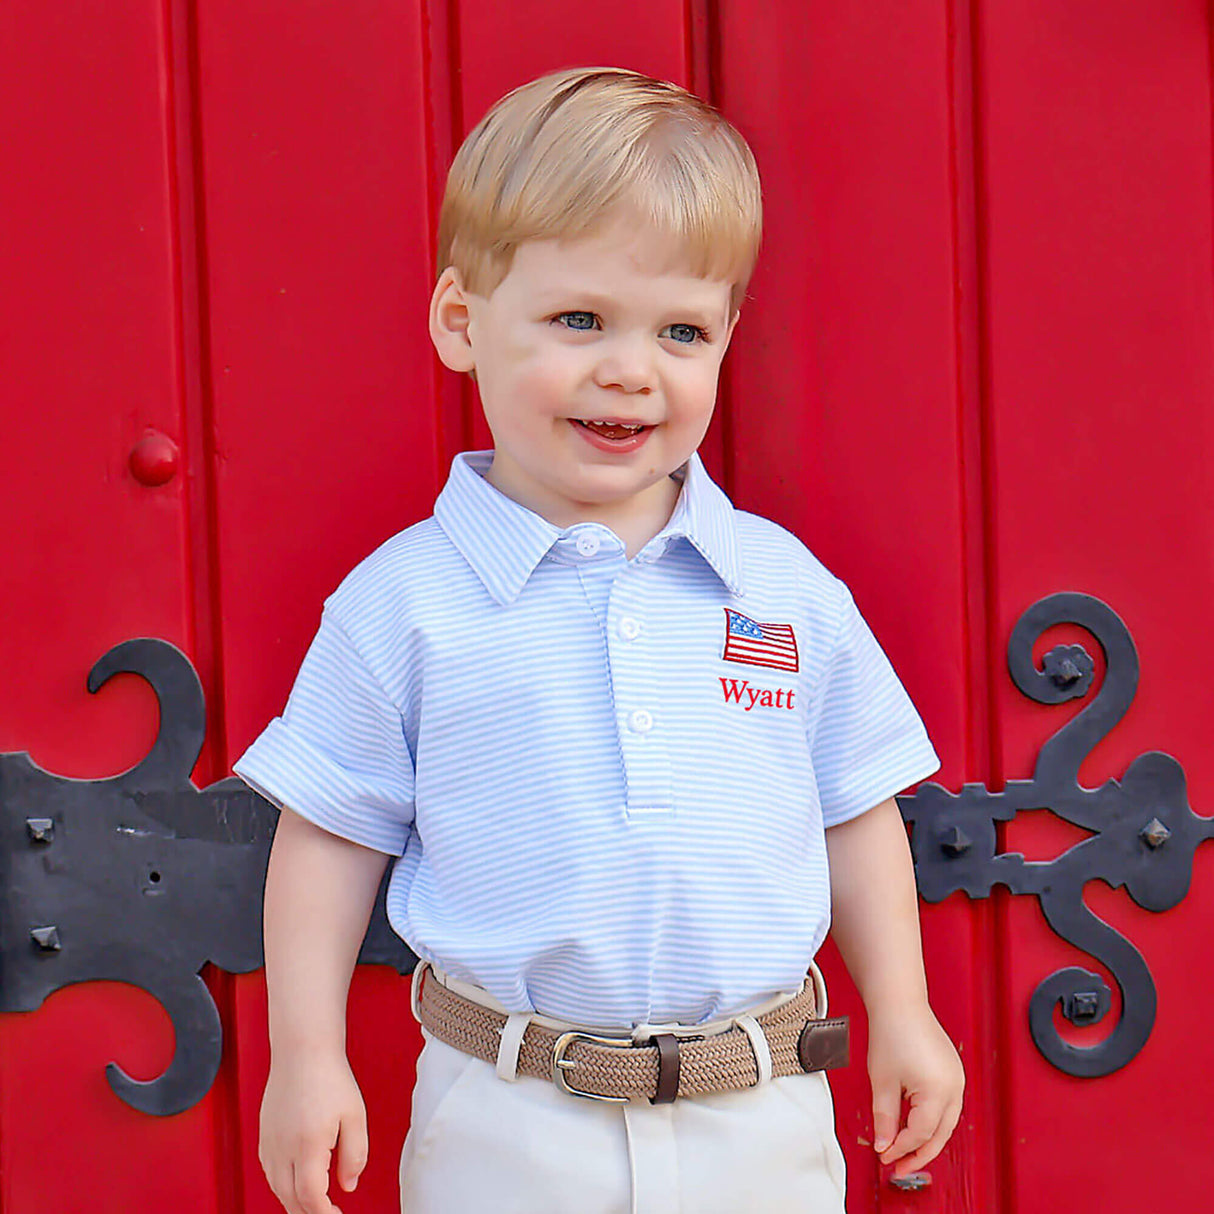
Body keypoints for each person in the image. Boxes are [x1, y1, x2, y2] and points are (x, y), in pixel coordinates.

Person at [234, 67, 965, 1214]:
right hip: (507, 1119)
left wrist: (904, 1010)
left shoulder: (778, 587)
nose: (630, 368)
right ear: (461, 323)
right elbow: (329, 835)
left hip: (758, 1115)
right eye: (579, 319)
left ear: (726, 339)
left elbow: (852, 805)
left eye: (680, 330)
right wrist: (307, 1054)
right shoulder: (405, 601)